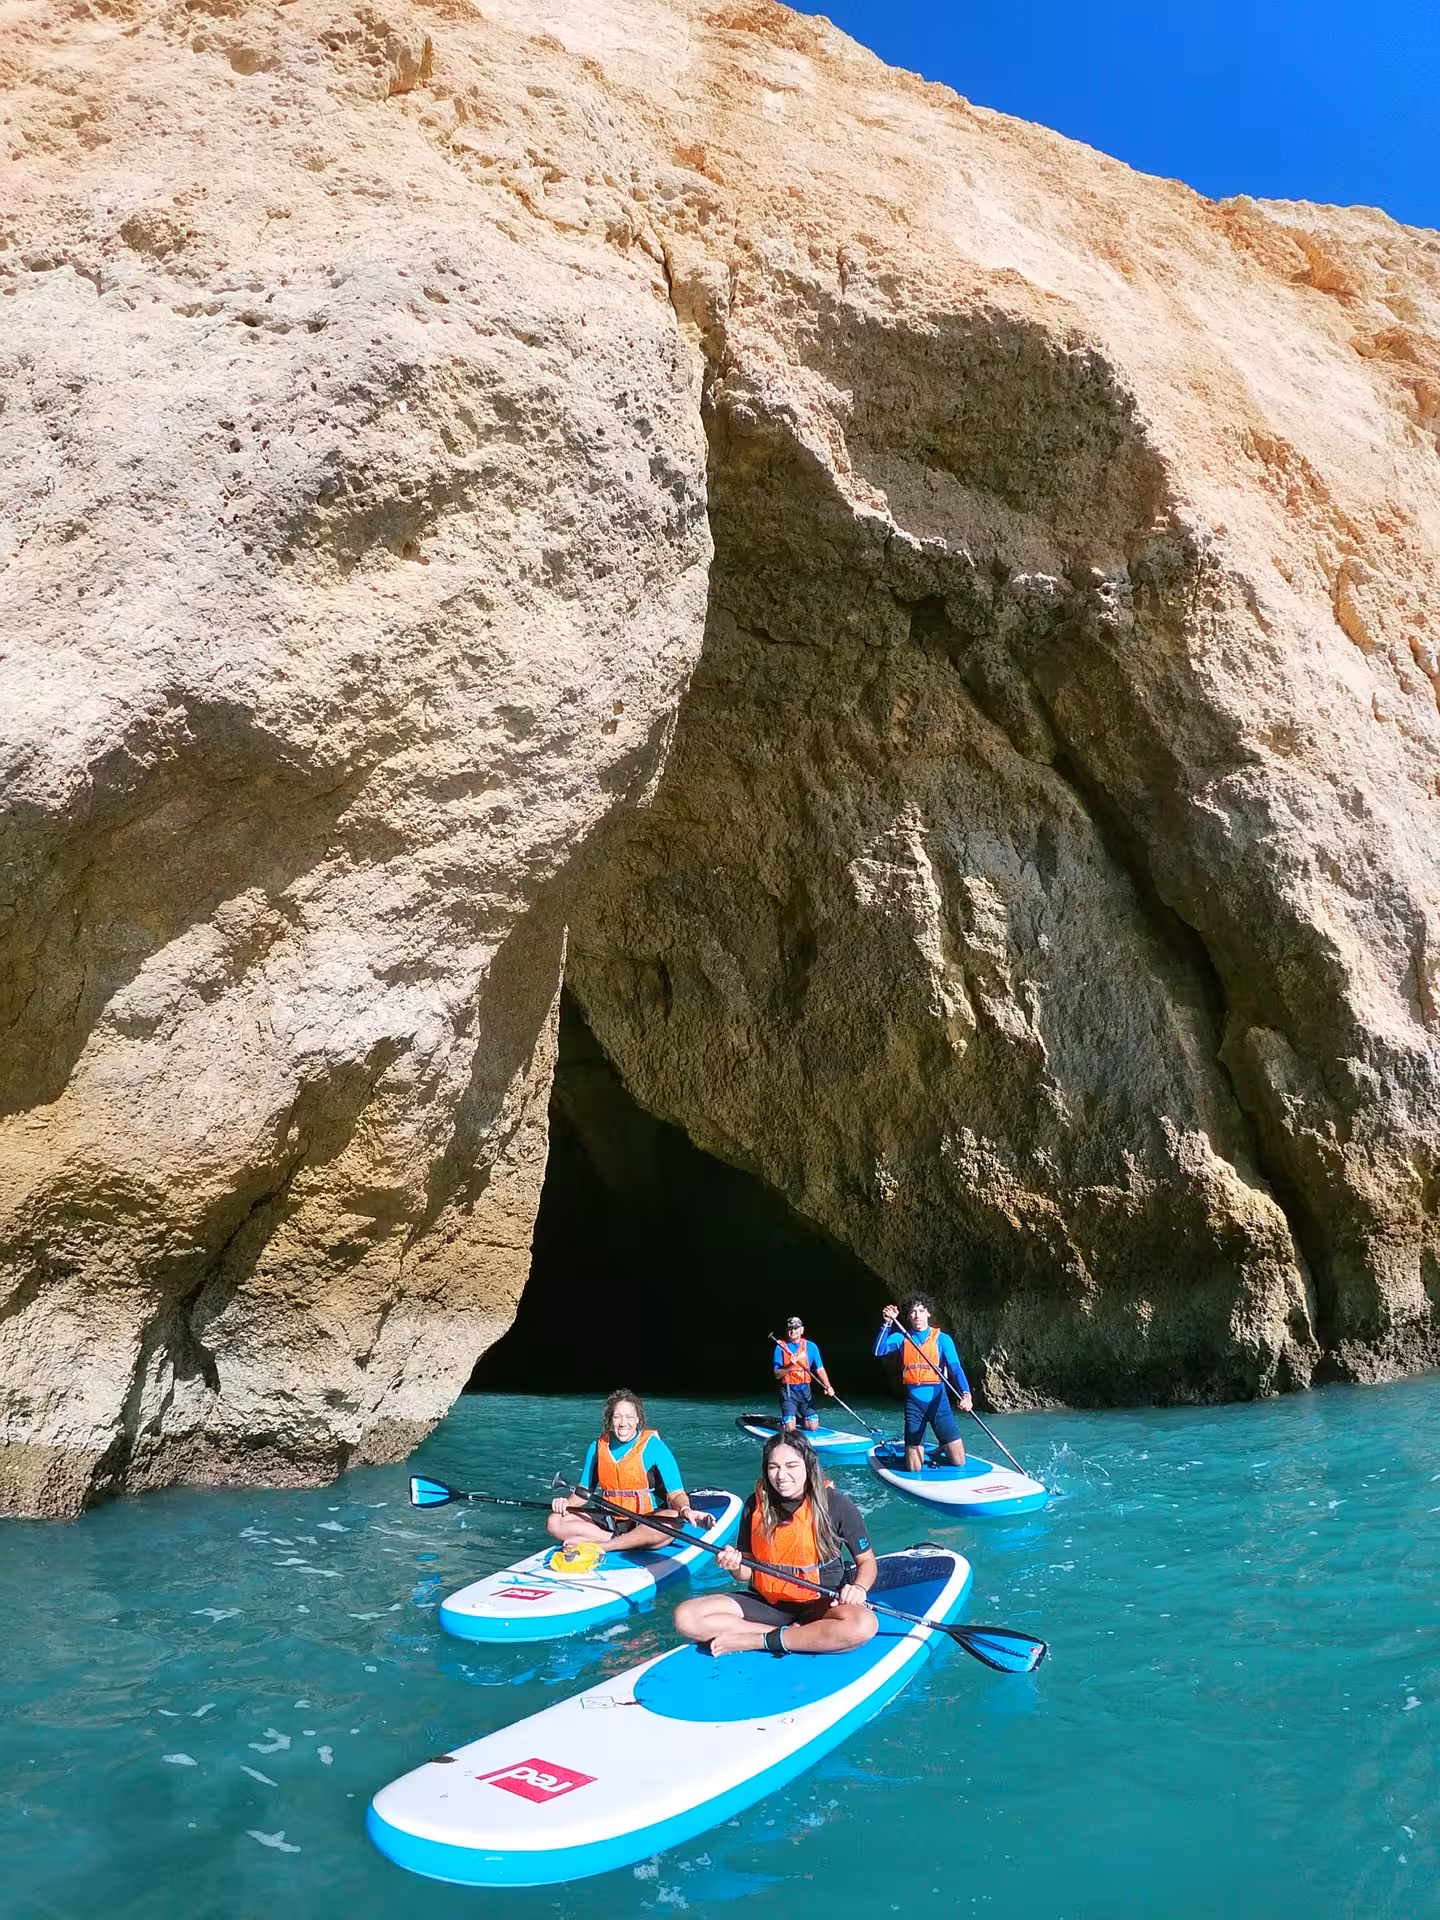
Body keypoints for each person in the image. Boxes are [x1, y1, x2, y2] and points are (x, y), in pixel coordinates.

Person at [673, 1432, 878, 1656]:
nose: (782, 1475)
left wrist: (859, 1588)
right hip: (769, 1605)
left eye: (792, 1465)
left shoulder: (836, 1504)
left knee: (864, 1624)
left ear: (808, 1465)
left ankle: (757, 1640)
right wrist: (733, 1564)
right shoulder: (754, 1505)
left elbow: (866, 1561)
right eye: (774, 1467)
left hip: (822, 1605)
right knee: (686, 1617)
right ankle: (794, 1636)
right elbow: (744, 1575)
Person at [548, 1388, 707, 1552]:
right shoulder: (596, 1448)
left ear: (638, 1419)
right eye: (617, 1416)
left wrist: (685, 1509)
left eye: (629, 1417)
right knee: (555, 1521)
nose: (623, 1423)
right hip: (609, 1522)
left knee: (673, 1519)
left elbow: (676, 1494)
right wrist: (566, 1503)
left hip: (647, 1520)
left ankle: (603, 1546)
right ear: (610, 1419)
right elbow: (583, 1492)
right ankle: (622, 1541)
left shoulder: (655, 1447)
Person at [874, 1295, 973, 1472]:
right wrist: (888, 1323)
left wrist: (966, 1394)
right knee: (914, 1468)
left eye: (921, 1310)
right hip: (914, 1405)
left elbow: (956, 1369)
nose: (917, 1315)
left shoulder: (942, 1339)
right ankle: (918, 1447)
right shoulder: (901, 1338)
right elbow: (878, 1351)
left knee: (959, 1461)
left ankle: (944, 1444)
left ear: (928, 1313)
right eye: (912, 1312)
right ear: (908, 1317)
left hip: (938, 1403)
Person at [773, 1315, 837, 1433]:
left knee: (813, 1427)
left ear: (801, 1330)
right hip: (788, 1391)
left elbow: (820, 1369)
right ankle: (786, 1422)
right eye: (790, 1328)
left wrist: (828, 1386)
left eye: (796, 1328)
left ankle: (795, 1419)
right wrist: (789, 1366)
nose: (793, 1331)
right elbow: (777, 1375)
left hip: (805, 1391)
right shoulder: (780, 1348)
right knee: (790, 1430)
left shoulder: (811, 1347)